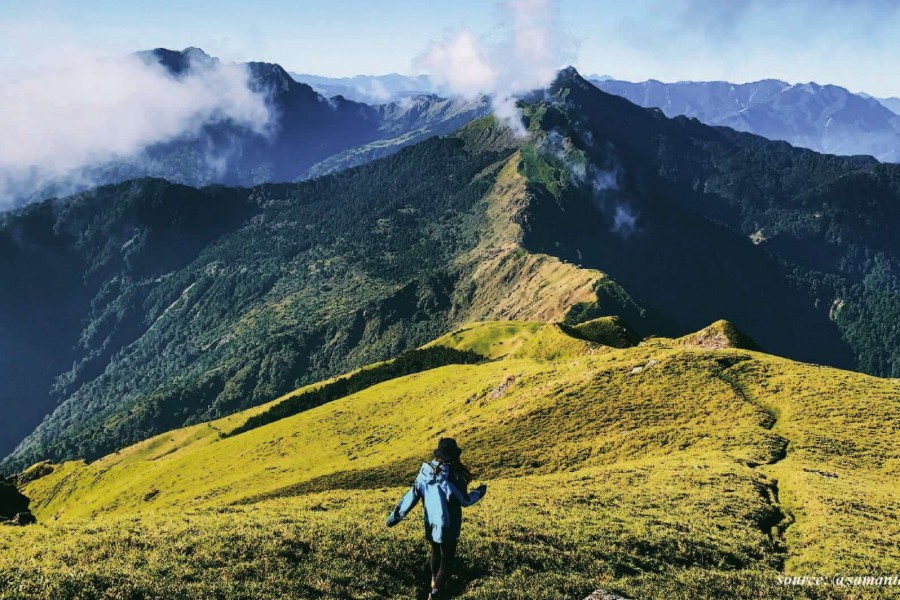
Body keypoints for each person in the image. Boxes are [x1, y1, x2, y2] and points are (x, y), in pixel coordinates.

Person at [386, 438, 487, 599]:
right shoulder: (453, 477)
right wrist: (480, 491)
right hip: (448, 525)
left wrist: (394, 518)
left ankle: (433, 582)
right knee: (447, 561)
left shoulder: (424, 474)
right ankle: (435, 593)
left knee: (435, 552)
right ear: (453, 456)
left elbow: (410, 497)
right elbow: (466, 501)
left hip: (430, 524)